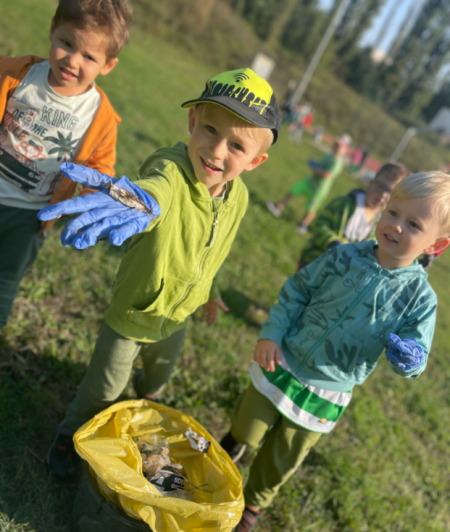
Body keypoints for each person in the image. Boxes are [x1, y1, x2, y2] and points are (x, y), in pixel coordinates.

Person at [39, 68, 281, 479]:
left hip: (176, 316)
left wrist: (212, 289)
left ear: (256, 161)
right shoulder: (171, 169)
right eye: (209, 129)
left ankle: (142, 405)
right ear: (191, 121)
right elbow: (158, 186)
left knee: (158, 376)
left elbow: (215, 248)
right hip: (134, 314)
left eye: (236, 146)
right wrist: (144, 200)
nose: (217, 151)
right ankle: (68, 437)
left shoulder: (237, 197)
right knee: (102, 389)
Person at [221, 171, 450, 531]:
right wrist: (272, 332)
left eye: (414, 224)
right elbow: (297, 290)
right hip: (283, 359)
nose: (396, 226)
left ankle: (252, 505)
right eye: (392, 212)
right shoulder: (344, 255)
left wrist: (411, 358)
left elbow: (417, 349)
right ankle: (234, 442)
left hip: (328, 388)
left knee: (283, 458)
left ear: (435, 246)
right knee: (247, 426)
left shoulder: (420, 300)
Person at [0, 0, 132, 330]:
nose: (73, 60)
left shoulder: (100, 117)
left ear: (108, 65)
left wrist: (94, 202)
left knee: (5, 282)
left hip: (30, 216)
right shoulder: (15, 74)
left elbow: (100, 171)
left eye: (89, 56)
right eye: (66, 43)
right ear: (52, 30)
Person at [299, 162, 409, 268]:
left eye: (391, 192)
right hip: (312, 263)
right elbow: (319, 224)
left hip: (336, 278)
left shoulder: (380, 224)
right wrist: (333, 243)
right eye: (380, 186)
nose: (383, 194)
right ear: (370, 183)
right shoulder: (344, 203)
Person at [266, 139, 346, 233]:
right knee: (292, 191)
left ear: (344, 150)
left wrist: (316, 169)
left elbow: (327, 175)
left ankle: (303, 226)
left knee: (311, 209)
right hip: (310, 181)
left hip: (319, 190)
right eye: (336, 145)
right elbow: (320, 166)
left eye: (339, 147)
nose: (336, 148)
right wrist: (314, 164)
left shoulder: (337, 163)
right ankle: (278, 207)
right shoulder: (328, 155)